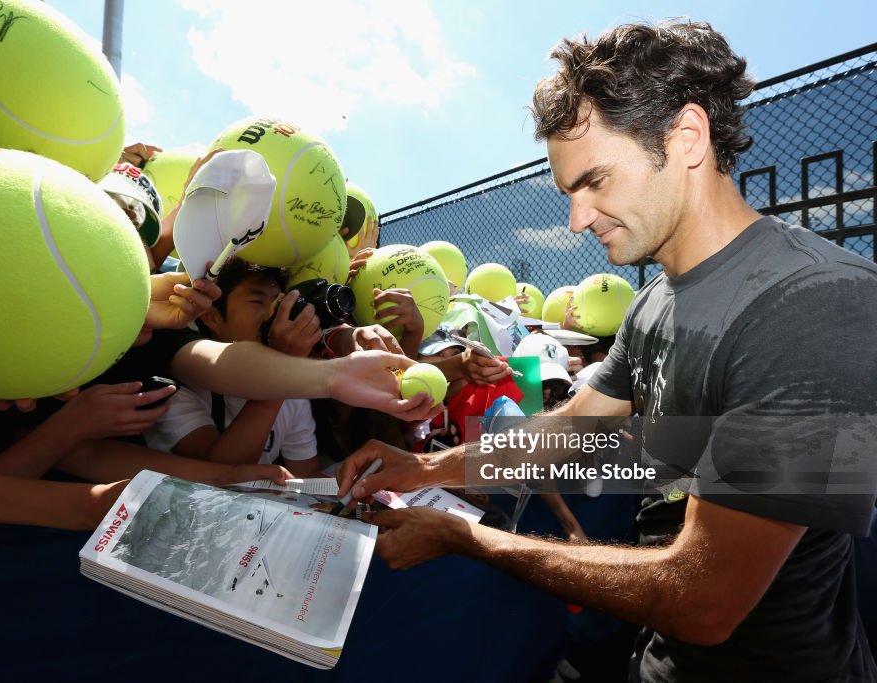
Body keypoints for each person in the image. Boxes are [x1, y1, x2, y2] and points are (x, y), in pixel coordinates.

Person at [338, 19, 877, 681]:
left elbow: (705, 599)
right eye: (569, 193)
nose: (577, 218)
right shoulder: (654, 303)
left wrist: (468, 537)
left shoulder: (814, 306)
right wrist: (423, 470)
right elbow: (570, 432)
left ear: (685, 139)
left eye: (594, 181)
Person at [145, 260, 322, 477]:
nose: (272, 315)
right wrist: (280, 375)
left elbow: (308, 476)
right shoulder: (176, 389)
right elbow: (219, 474)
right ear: (212, 317)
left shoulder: (293, 396)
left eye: (278, 302)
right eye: (257, 301)